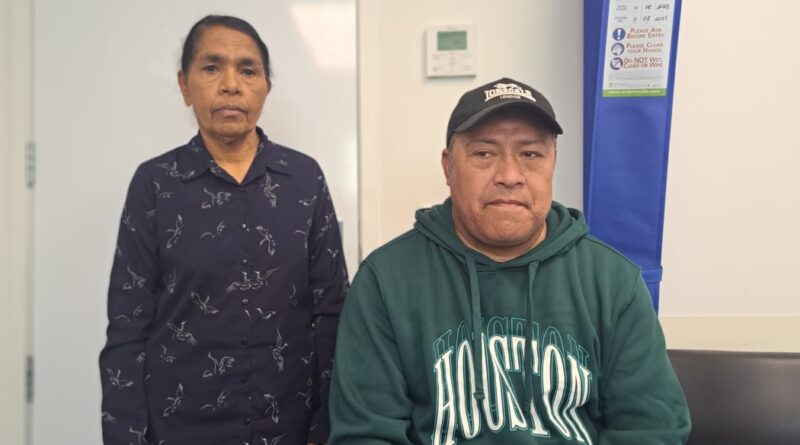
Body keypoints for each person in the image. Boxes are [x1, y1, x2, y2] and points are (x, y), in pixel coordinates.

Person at [329, 78, 690, 444]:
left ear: (552, 163)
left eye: (530, 154)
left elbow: (652, 430)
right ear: (448, 167)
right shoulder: (386, 280)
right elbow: (366, 434)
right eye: (484, 154)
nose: (509, 176)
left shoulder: (613, 281)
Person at [99, 15, 348, 445]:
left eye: (248, 70)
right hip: (180, 427)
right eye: (212, 67)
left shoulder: (304, 179)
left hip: (288, 425)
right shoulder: (155, 183)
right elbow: (128, 325)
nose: (231, 84)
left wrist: (326, 423)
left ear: (266, 87)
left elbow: (331, 312)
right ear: (184, 84)